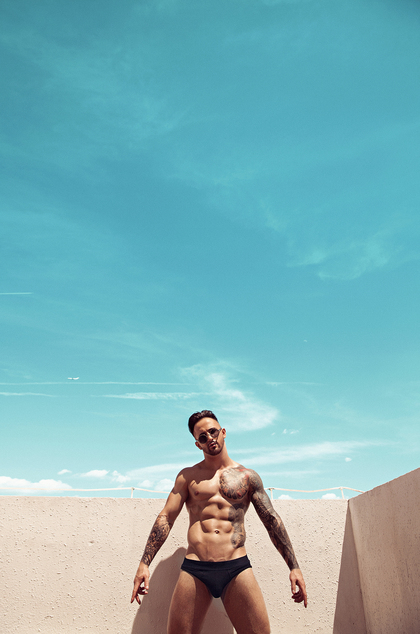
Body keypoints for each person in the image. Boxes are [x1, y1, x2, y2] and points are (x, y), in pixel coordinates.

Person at [131, 410, 307, 634]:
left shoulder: (247, 476)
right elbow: (166, 517)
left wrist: (294, 567)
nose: (210, 438)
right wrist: (144, 563)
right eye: (202, 437)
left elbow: (271, 520)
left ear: (223, 432)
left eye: (213, 431)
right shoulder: (187, 476)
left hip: (236, 567)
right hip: (195, 568)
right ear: (198, 444)